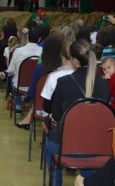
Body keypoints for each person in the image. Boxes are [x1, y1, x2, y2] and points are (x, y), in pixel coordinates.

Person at [45, 39, 110, 186]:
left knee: (49, 144)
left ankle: (56, 182)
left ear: (74, 60)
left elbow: (56, 116)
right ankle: (85, 180)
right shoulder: (104, 84)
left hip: (67, 146)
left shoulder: (63, 82)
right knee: (88, 139)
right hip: (98, 145)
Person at [16, 34, 63, 130]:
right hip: (60, 110)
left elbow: (31, 93)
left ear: (44, 50)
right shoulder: (63, 71)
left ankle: (27, 119)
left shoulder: (39, 68)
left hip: (41, 108)